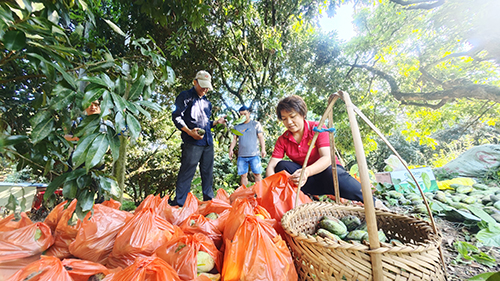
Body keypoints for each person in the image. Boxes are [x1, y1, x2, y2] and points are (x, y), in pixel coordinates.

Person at [266, 95, 383, 206]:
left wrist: (306, 171)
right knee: (281, 165)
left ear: (302, 114)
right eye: (284, 119)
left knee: (330, 171)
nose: (289, 122)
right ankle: (300, 201)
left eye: (292, 116)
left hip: (329, 177)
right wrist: (271, 187)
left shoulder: (318, 128)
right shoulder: (283, 139)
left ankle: (373, 202)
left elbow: (327, 158)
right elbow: (272, 165)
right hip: (306, 181)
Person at [171, 70, 226, 206]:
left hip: (207, 142)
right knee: (187, 172)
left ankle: (209, 202)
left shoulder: (207, 103)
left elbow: (206, 124)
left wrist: (216, 122)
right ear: (195, 82)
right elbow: (176, 116)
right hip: (192, 142)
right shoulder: (185, 96)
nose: (205, 89)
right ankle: (180, 203)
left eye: (207, 87)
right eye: (202, 86)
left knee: (208, 173)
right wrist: (189, 132)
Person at [228, 105, 266, 186]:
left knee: (257, 174)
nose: (243, 116)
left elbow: (261, 137)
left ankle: (260, 195)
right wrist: (231, 149)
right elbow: (234, 139)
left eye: (245, 114)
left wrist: (263, 149)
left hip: (254, 155)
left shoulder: (255, 124)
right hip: (242, 155)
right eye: (241, 115)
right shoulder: (237, 127)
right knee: (243, 175)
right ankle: (245, 196)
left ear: (249, 113)